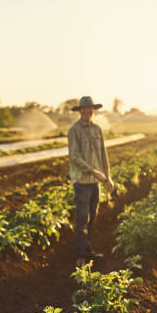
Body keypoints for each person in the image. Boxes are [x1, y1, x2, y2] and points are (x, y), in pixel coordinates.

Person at [67, 96, 114, 267]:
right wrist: (94, 172)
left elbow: (103, 154)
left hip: (95, 184)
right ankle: (80, 257)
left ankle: (88, 252)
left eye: (90, 109)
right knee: (81, 220)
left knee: (92, 218)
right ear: (79, 111)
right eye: (83, 109)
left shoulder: (97, 130)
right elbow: (74, 157)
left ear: (94, 110)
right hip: (82, 183)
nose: (87, 112)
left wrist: (108, 178)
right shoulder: (74, 130)